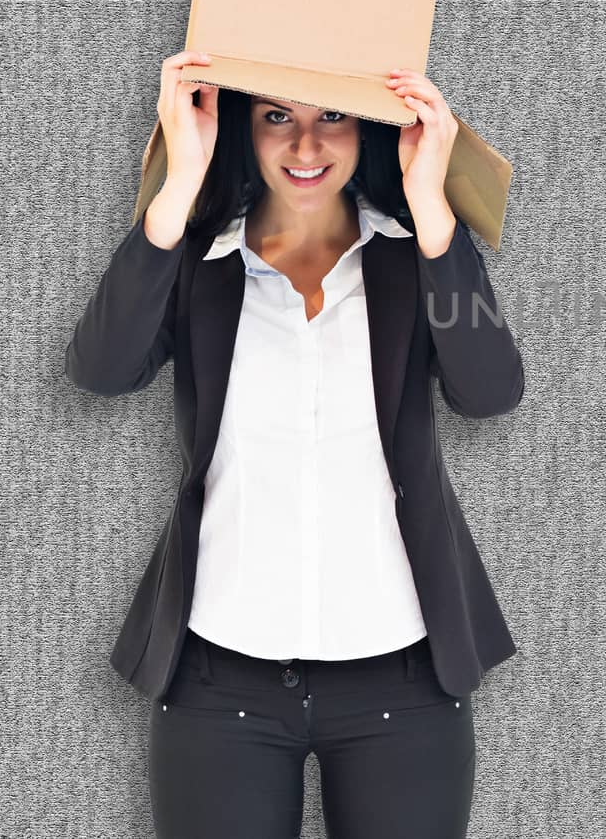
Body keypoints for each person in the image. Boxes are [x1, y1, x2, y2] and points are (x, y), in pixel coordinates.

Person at [65, 50, 524, 838]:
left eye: (331, 117)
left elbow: (490, 392)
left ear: (367, 128)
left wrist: (434, 214)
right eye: (278, 115)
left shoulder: (413, 261)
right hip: (220, 681)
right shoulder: (203, 265)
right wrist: (178, 183)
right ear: (245, 127)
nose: (305, 147)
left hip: (402, 680)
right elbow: (101, 370)